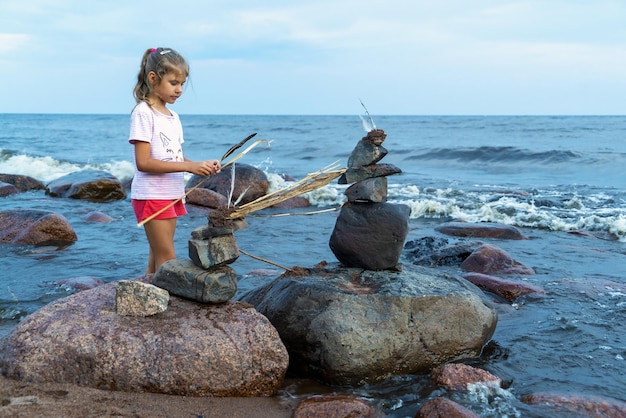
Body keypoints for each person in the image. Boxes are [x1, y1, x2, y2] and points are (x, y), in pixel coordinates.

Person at [129, 47, 221, 275]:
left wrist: (199, 166)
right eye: (173, 83)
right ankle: (169, 308)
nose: (179, 90)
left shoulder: (173, 117)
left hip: (170, 194)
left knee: (157, 256)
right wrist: (188, 167)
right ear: (153, 78)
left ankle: (147, 299)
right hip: (151, 195)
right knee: (168, 259)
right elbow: (144, 162)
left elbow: (173, 156)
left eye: (182, 83)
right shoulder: (143, 113)